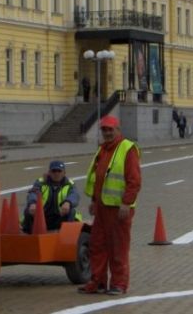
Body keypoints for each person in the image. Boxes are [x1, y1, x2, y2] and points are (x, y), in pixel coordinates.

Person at [79, 115, 141, 295]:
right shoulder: (103, 149)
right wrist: (93, 201)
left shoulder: (127, 149)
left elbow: (134, 180)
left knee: (117, 247)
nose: (106, 133)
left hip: (118, 209)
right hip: (102, 207)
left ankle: (119, 284)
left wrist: (126, 203)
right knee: (97, 245)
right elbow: (98, 178)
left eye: (110, 129)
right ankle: (97, 282)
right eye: (104, 129)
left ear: (118, 130)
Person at [21, 161, 81, 233]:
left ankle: (67, 238)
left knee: (71, 212)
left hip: (60, 217)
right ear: (49, 172)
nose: (56, 173)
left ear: (64, 173)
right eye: (54, 171)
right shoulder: (41, 182)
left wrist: (68, 202)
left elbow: (74, 194)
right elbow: (33, 193)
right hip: (42, 217)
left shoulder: (69, 184)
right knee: (28, 211)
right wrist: (33, 203)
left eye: (59, 171)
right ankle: (29, 236)